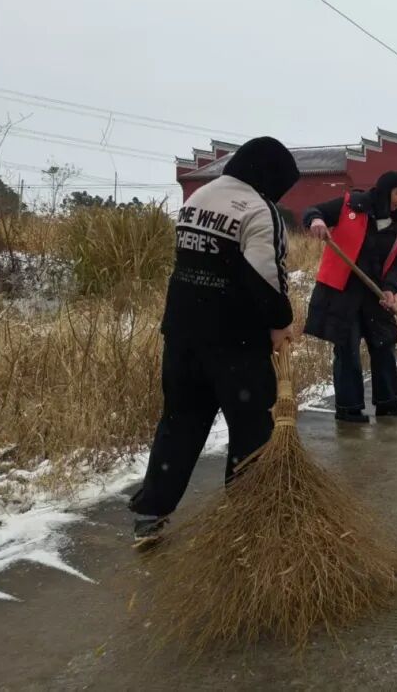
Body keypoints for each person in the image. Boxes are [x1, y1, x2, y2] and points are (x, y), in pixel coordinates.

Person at [129, 136, 300, 545]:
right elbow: (264, 276)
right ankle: (246, 519)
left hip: (182, 335)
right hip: (235, 343)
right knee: (251, 429)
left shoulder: (199, 198)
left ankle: (151, 511)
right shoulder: (259, 210)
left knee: (180, 421)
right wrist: (281, 321)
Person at [304, 172, 397, 424]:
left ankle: (388, 403)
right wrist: (316, 221)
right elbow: (313, 210)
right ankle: (348, 408)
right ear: (386, 189)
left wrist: (390, 289)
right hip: (344, 292)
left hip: (375, 295)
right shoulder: (350, 205)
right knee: (348, 348)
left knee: (385, 344)